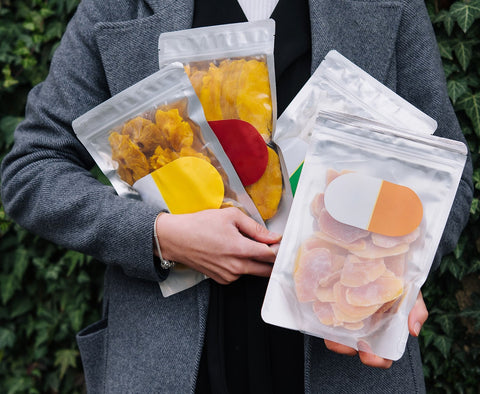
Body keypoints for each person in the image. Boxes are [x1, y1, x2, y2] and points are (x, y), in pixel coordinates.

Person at [0, 0, 472, 393]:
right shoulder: (116, 5)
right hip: (172, 361)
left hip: (342, 355)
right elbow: (32, 169)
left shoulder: (389, 5)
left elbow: (447, 171)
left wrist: (400, 270)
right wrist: (158, 236)